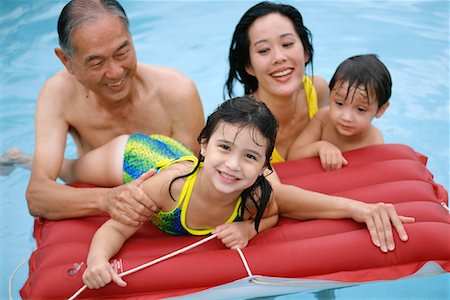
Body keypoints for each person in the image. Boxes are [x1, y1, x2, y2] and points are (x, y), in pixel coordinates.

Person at [225, 1, 414, 253]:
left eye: (288, 44)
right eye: (263, 50)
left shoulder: (321, 91)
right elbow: (273, 196)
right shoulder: (243, 123)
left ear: (305, 52)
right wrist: (356, 208)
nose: (279, 57)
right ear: (248, 66)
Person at [21, 0, 205, 226]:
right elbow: (37, 196)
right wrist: (106, 199)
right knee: (70, 170)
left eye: (122, 52)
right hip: (90, 174)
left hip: (158, 196)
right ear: (66, 61)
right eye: (97, 63)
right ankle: (23, 159)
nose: (115, 72)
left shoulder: (177, 93)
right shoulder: (59, 95)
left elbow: (193, 184)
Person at [72, 97, 279, 289]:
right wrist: (97, 260)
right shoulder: (170, 189)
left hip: (179, 155)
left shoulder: (256, 196)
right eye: (225, 147)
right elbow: (116, 228)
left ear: (263, 168)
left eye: (250, 156)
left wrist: (247, 229)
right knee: (71, 171)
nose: (233, 164)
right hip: (135, 156)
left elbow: (272, 215)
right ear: (204, 145)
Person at [287, 54, 392, 170]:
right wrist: (320, 147)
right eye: (339, 104)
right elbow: (292, 156)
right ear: (330, 94)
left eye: (361, 109)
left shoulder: (374, 142)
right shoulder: (323, 119)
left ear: (381, 109)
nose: (346, 117)